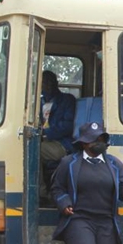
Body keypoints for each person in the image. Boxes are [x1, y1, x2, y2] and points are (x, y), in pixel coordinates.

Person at [40, 70, 76, 200]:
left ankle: (42, 193)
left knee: (34, 152)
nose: (47, 86)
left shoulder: (67, 100)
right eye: (44, 83)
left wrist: (45, 133)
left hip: (63, 144)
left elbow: (68, 126)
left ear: (56, 83)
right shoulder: (39, 103)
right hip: (45, 142)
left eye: (50, 82)